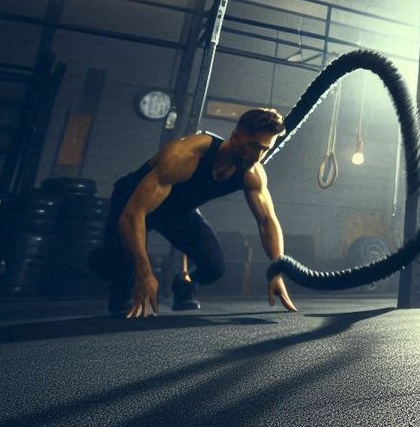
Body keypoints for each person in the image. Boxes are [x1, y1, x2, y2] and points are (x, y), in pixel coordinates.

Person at [88, 107, 298, 318]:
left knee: (213, 267)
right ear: (235, 136)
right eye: (253, 146)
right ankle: (104, 260)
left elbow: (266, 221)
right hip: (131, 203)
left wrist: (277, 269)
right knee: (120, 290)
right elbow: (134, 214)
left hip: (178, 213)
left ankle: (184, 285)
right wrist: (144, 272)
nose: (257, 156)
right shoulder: (185, 154)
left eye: (265, 149)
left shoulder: (253, 173)